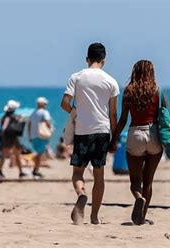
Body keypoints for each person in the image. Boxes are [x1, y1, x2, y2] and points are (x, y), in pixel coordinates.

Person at [61, 43, 119, 225]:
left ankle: (82, 193)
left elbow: (64, 103)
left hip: (82, 131)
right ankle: (94, 216)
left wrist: (73, 112)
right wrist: (114, 137)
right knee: (99, 175)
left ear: (87, 59)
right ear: (104, 60)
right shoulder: (111, 81)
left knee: (78, 172)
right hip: (102, 131)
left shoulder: (77, 77)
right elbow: (113, 114)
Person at [109, 60, 166, 225]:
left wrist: (114, 140)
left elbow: (123, 120)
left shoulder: (129, 91)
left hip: (135, 134)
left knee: (135, 182)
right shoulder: (158, 91)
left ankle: (138, 197)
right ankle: (141, 217)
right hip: (154, 135)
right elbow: (166, 118)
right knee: (148, 181)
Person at [0, 100, 27, 179]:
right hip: (12, 138)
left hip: (7, 138)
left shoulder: (5, 117)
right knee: (16, 155)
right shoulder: (11, 117)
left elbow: (3, 128)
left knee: (5, 155)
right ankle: (20, 172)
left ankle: (1, 171)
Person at [28, 97, 52, 178]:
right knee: (39, 154)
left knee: (38, 153)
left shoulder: (33, 113)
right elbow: (48, 123)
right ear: (42, 104)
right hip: (42, 135)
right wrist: (51, 129)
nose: (46, 105)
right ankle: (35, 170)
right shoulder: (45, 112)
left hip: (34, 136)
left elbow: (29, 125)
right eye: (45, 104)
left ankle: (35, 169)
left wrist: (29, 136)